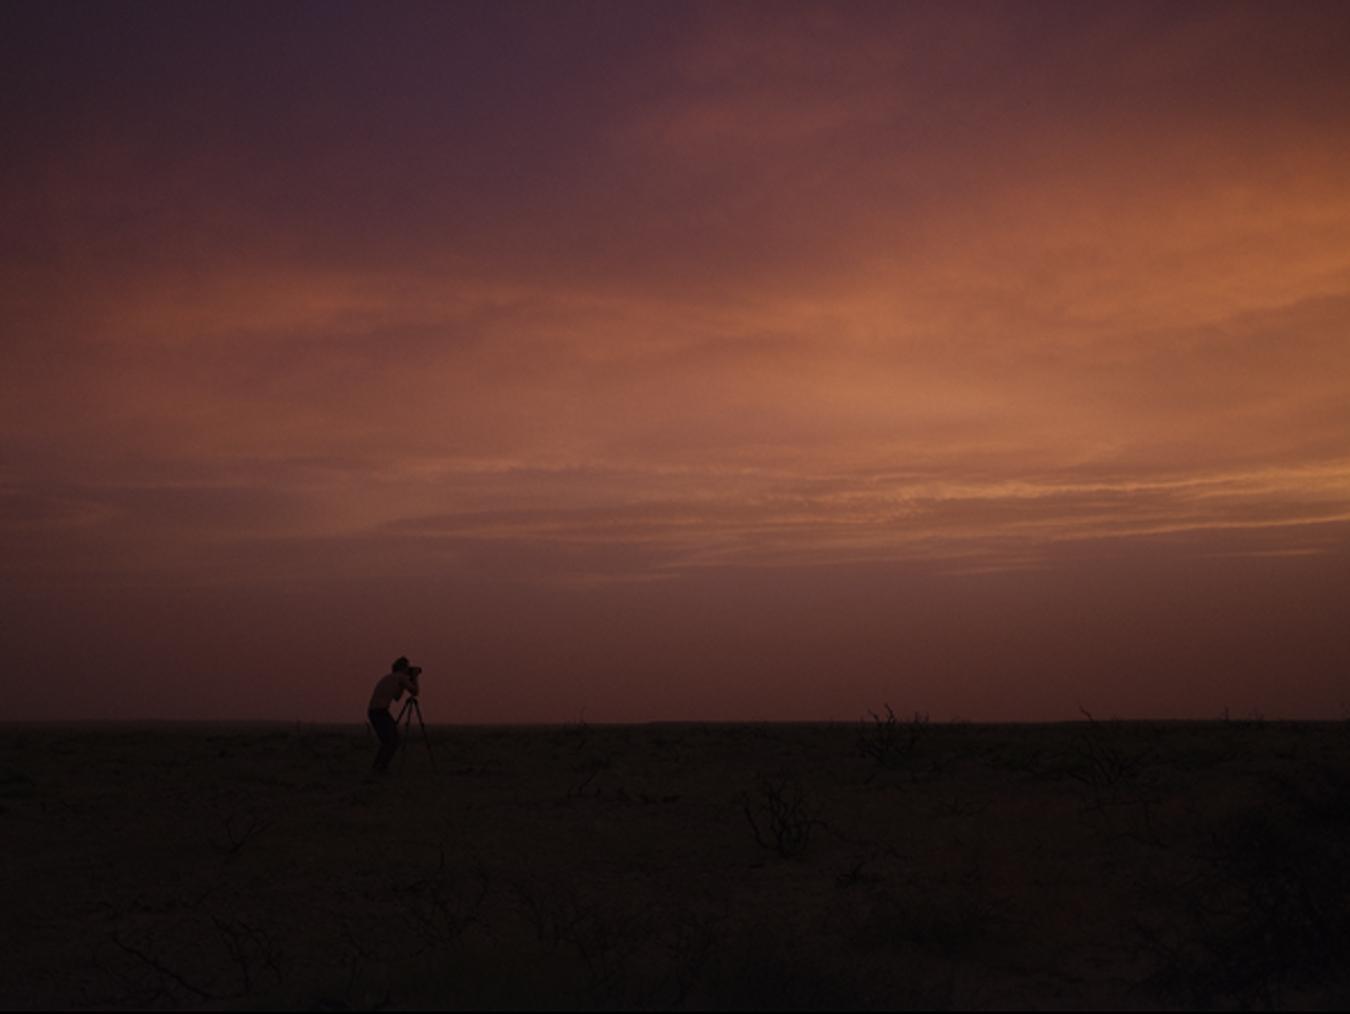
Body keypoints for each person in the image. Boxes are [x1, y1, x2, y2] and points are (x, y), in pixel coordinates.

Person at [368, 656, 421, 775]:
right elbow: (415, 692)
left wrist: (403, 684)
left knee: (387, 741)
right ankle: (381, 768)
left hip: (373, 711)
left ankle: (377, 767)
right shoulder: (400, 676)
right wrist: (415, 678)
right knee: (394, 741)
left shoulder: (390, 678)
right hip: (381, 711)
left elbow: (396, 697)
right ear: (403, 668)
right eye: (407, 667)